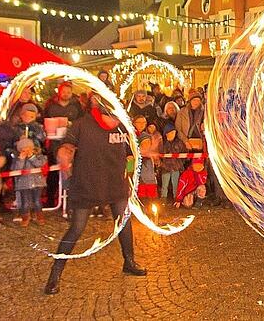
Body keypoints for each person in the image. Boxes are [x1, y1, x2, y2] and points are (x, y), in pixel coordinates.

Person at [44, 94, 146, 295]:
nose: (118, 119)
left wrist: (142, 152)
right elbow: (67, 146)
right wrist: (64, 155)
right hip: (87, 184)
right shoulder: (82, 125)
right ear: (103, 111)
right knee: (76, 229)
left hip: (115, 183)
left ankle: (129, 262)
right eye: (114, 114)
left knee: (124, 222)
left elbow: (130, 148)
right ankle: (54, 275)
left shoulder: (121, 126)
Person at [13, 138, 47, 226]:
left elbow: (40, 164)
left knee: (37, 201)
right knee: (25, 202)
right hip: (23, 183)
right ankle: (25, 218)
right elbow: (16, 170)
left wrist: (32, 157)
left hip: (37, 182)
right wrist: (21, 159)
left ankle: (40, 217)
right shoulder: (17, 158)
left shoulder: (39, 156)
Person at [159, 124, 186, 201]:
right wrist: (161, 164)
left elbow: (184, 153)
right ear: (166, 134)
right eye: (170, 133)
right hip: (165, 167)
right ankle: (163, 199)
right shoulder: (163, 144)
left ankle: (176, 198)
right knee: (165, 185)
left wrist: (180, 163)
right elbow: (160, 154)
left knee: (176, 184)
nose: (172, 135)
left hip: (176, 167)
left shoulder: (179, 143)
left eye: (173, 133)